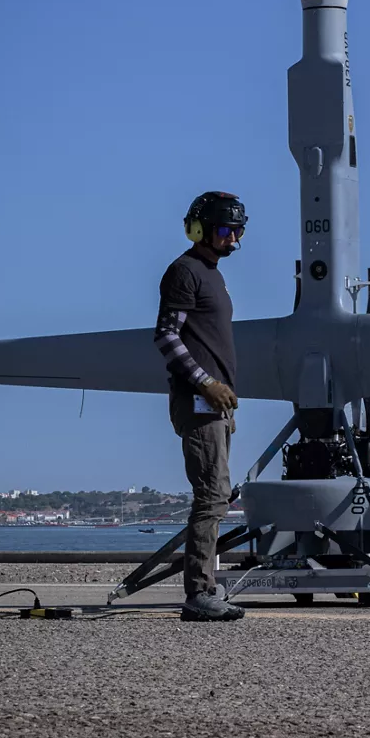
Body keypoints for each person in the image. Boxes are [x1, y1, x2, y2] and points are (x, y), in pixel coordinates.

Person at [154, 191, 248, 622]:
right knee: (211, 495)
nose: (234, 239)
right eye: (226, 230)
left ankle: (206, 587)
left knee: (217, 495)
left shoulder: (212, 275)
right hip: (199, 403)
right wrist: (206, 383)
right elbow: (166, 337)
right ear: (200, 230)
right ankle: (199, 593)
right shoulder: (185, 271)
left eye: (239, 231)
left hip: (215, 406)